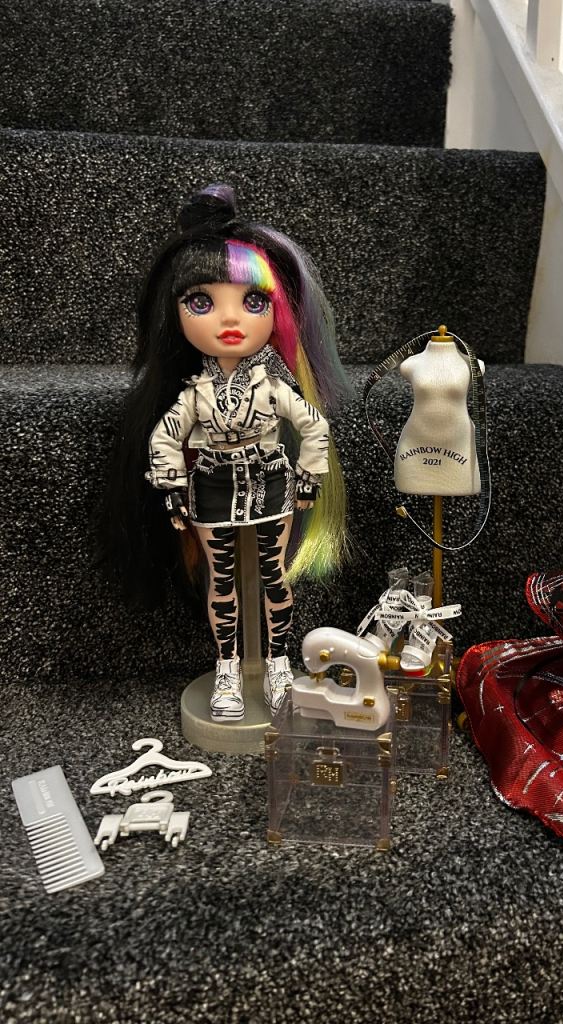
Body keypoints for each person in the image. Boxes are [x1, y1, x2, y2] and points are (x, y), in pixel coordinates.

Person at [109, 183, 349, 721]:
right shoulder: (193, 395)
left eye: (254, 302)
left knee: (273, 577)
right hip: (212, 489)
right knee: (221, 583)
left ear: (277, 311)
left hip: (271, 485)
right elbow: (165, 438)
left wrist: (308, 476)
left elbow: (313, 427)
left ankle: (279, 662)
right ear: (176, 314)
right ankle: (227, 669)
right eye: (202, 303)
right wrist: (172, 486)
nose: (230, 320)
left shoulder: (274, 387)